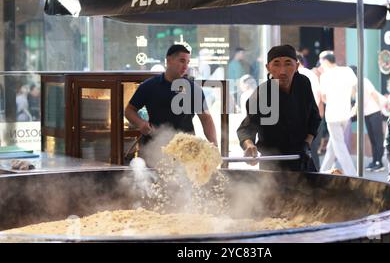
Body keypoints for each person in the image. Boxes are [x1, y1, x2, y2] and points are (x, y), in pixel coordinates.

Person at [237, 44, 321, 172]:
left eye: (288, 63)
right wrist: (249, 146)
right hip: (272, 164)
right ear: (268, 68)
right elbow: (246, 128)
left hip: (302, 158)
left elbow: (314, 117)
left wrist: (306, 144)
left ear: (297, 66)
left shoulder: (303, 83)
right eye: (276, 64)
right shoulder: (262, 94)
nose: (282, 71)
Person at [125, 44, 218, 152]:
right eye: (182, 61)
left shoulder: (193, 89)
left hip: (186, 150)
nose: (185, 67)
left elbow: (206, 119)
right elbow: (129, 110)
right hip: (154, 147)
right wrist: (140, 123)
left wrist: (214, 146)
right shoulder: (149, 86)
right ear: (169, 60)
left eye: (187, 62)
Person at [319, 53, 357, 176]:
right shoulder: (347, 71)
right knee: (333, 145)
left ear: (325, 61)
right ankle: (323, 172)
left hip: (333, 116)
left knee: (339, 146)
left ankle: (353, 175)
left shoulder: (325, 76)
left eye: (321, 62)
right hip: (345, 114)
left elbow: (323, 98)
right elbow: (353, 91)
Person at [349, 66, 386, 172]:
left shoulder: (364, 81)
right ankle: (375, 161)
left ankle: (379, 162)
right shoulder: (355, 85)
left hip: (375, 112)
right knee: (373, 139)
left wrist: (381, 110)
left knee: (378, 139)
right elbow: (356, 101)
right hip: (367, 114)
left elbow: (375, 95)